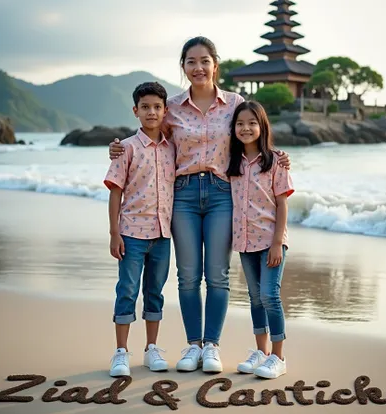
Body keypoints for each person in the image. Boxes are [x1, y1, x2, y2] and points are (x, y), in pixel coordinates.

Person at [109, 36, 291, 373]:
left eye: (204, 60)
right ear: (183, 67)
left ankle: (212, 347)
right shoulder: (173, 107)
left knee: (218, 276)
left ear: (215, 64)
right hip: (184, 195)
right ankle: (193, 345)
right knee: (188, 276)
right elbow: (148, 137)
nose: (198, 67)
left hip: (224, 193)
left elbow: (252, 132)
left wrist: (277, 156)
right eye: (191, 61)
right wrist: (117, 148)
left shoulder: (235, 102)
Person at [104, 82, 176, 377]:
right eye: (145, 107)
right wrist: (113, 232)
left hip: (162, 234)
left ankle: (151, 349)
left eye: (157, 107)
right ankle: (121, 353)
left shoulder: (173, 147)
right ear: (136, 111)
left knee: (155, 292)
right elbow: (115, 191)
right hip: (131, 234)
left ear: (165, 111)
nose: (152, 112)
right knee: (127, 290)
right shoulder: (127, 148)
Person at [226, 100, 294, 379]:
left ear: (262, 126)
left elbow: (282, 204)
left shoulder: (276, 161)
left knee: (270, 295)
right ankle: (261, 352)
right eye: (240, 124)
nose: (246, 128)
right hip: (244, 242)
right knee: (255, 298)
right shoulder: (231, 162)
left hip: (270, 241)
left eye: (252, 123)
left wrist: (278, 242)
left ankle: (279, 357)